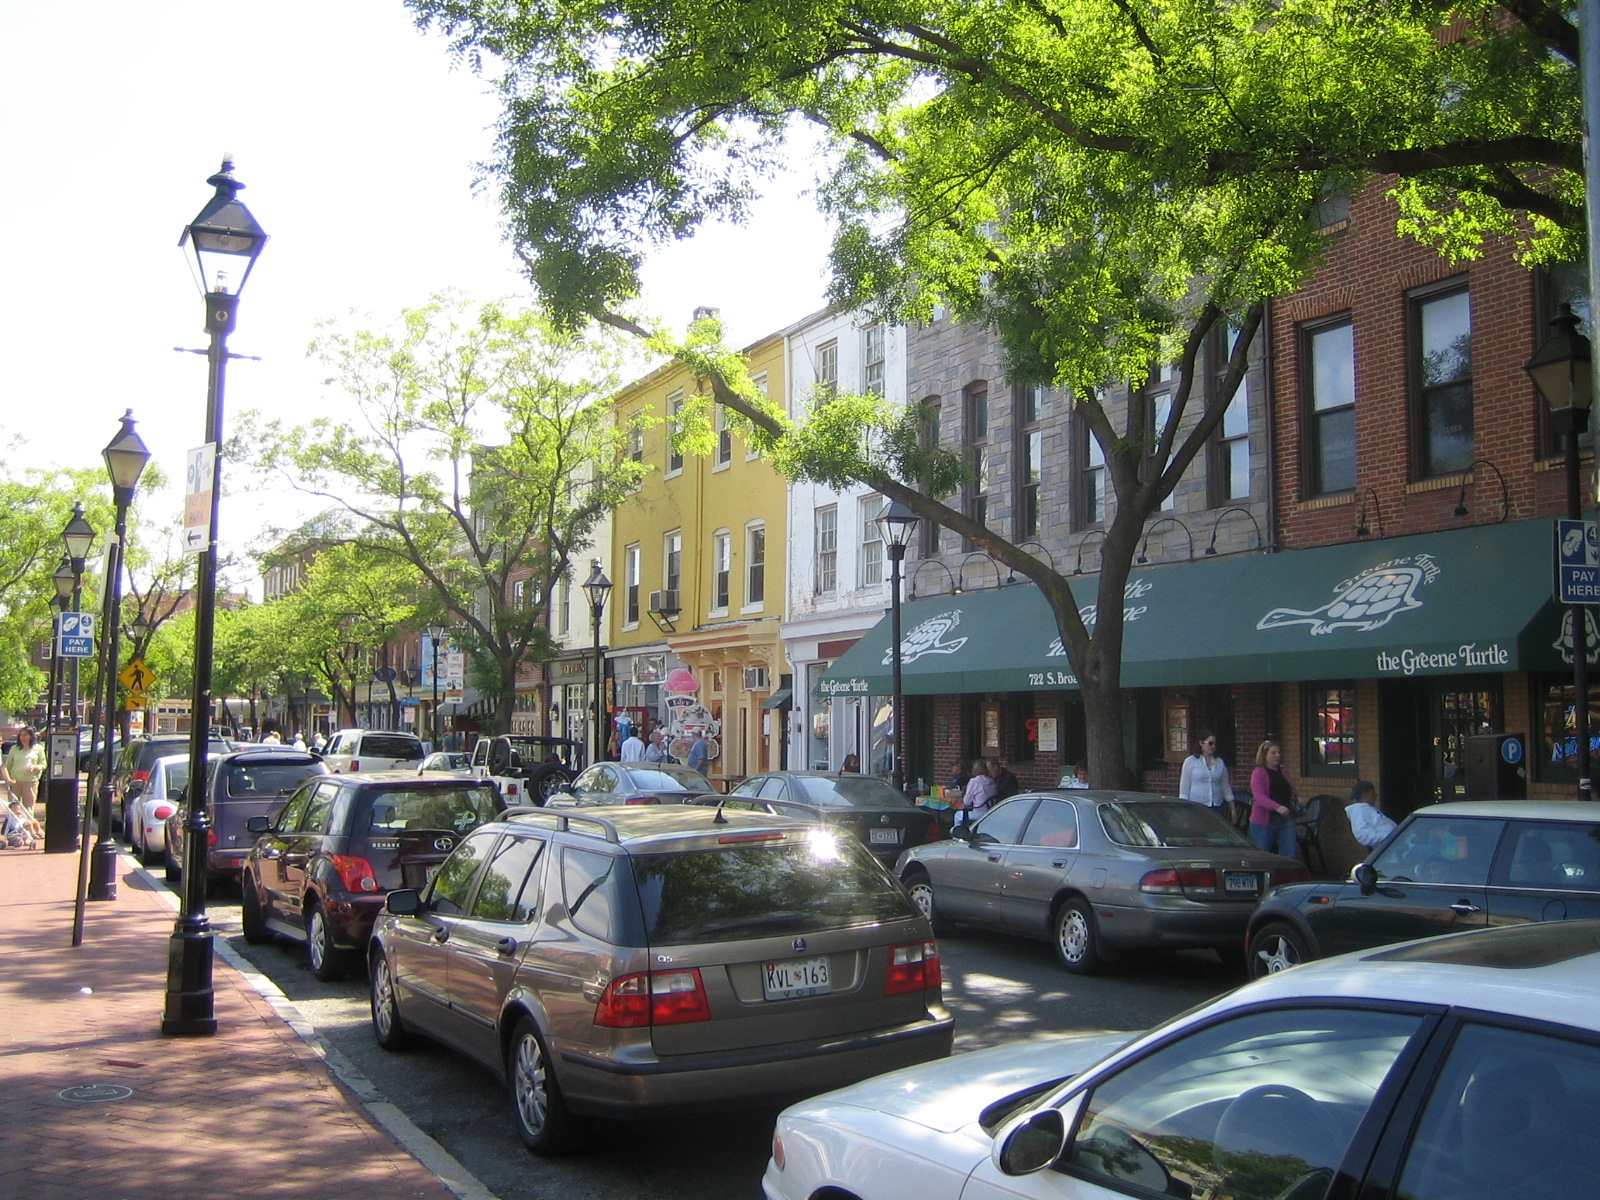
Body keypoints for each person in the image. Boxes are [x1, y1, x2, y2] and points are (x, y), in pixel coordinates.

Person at [1249, 739, 1301, 859]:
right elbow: (1259, 796)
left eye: (1278, 752)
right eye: (1273, 753)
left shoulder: (1284, 771)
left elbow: (1290, 787)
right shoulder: (1259, 773)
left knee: (1289, 855)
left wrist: (1296, 798)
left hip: (1286, 818)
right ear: (1264, 755)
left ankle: (1287, 877)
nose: (1277, 755)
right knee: (1262, 855)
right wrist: (1276, 807)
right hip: (1265, 820)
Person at [1179, 730, 1236, 824]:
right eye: (1210, 743)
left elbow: (1225, 785)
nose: (1213, 746)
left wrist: (1232, 808)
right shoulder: (1190, 761)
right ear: (1201, 743)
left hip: (1216, 806)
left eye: (1214, 744)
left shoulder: (1219, 762)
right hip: (1197, 807)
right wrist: (1184, 811)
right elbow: (1184, 788)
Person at [2, 726, 45, 813]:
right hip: (15, 781)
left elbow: (44, 764)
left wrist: (35, 767)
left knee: (28, 808)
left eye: (25, 735)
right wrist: (8, 780)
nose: (23, 737)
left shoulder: (38, 749)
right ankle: (14, 826)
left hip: (30, 782)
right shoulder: (14, 748)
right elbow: (7, 765)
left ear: (31, 736)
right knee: (14, 807)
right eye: (21, 735)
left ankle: (28, 826)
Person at [1345, 779, 1398, 850]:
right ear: (1364, 795)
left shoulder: (1368, 809)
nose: (1376, 795)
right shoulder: (1360, 811)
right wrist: (1391, 838)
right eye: (1372, 793)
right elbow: (1364, 836)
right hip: (1388, 848)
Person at [953, 758, 995, 826]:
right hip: (991, 811)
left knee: (958, 815)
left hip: (979, 812)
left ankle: (958, 835)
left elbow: (967, 802)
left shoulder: (974, 781)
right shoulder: (992, 781)